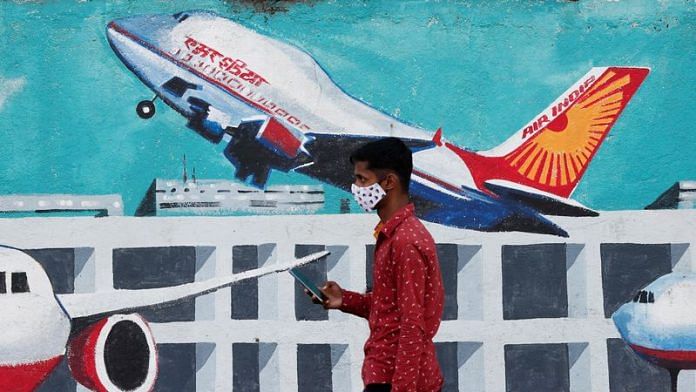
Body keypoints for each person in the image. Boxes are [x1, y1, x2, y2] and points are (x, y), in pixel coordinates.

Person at [309, 137, 445, 392]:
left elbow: (412, 325)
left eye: (362, 179)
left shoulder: (405, 242)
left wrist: (401, 389)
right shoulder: (393, 235)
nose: (355, 187)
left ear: (389, 182)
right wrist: (344, 300)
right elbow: (392, 309)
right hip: (384, 376)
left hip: (395, 381)